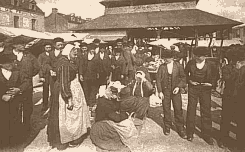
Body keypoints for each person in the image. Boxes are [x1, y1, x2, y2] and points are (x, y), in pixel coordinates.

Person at [47, 43, 90, 150]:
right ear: (68, 52)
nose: (76, 55)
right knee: (66, 115)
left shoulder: (66, 61)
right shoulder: (64, 64)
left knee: (70, 115)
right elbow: (64, 82)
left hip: (70, 88)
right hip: (65, 92)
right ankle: (66, 139)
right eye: (74, 53)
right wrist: (68, 98)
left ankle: (72, 137)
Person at [185, 47, 218, 145]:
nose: (197, 58)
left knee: (206, 111)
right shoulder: (190, 63)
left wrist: (211, 84)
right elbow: (185, 74)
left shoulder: (211, 65)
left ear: (205, 56)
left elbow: (216, 76)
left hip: (205, 89)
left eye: (200, 56)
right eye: (196, 56)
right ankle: (190, 133)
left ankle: (207, 135)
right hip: (193, 89)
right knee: (191, 110)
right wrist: (190, 81)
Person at [10, 37, 40, 135]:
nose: (23, 45)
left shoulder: (29, 56)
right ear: (14, 45)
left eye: (24, 43)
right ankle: (15, 129)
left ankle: (27, 127)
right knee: (14, 108)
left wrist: (28, 76)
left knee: (28, 107)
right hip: (12, 86)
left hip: (27, 85)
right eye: (21, 44)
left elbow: (37, 67)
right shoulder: (7, 55)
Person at [90, 83, 132, 152]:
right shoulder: (105, 104)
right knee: (118, 133)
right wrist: (126, 114)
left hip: (99, 125)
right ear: (109, 92)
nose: (115, 95)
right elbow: (117, 118)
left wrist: (116, 100)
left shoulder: (103, 99)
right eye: (113, 93)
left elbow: (115, 106)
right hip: (101, 128)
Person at [0, 53, 29, 149]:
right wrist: (2, 96)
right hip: (1, 104)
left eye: (13, 62)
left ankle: (15, 142)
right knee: (2, 122)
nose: (12, 64)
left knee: (14, 121)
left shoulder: (18, 72)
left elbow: (26, 82)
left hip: (15, 102)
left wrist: (19, 89)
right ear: (1, 64)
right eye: (8, 63)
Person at [156, 50, 187, 138]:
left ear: (172, 58)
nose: (165, 60)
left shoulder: (178, 66)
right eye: (164, 58)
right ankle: (167, 126)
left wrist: (178, 87)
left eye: (167, 58)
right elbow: (158, 79)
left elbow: (183, 78)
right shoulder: (162, 67)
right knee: (166, 108)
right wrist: (160, 91)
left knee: (178, 109)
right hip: (165, 91)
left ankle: (180, 128)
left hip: (175, 90)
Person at [218, 52, 239, 148]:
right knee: (226, 119)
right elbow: (227, 79)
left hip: (239, 97)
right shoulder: (226, 68)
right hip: (229, 97)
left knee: (240, 120)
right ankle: (223, 139)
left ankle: (239, 141)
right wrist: (237, 71)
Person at [38, 42, 52, 112]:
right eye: (47, 47)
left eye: (49, 47)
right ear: (44, 48)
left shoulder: (53, 54)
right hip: (45, 75)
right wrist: (41, 76)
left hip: (52, 75)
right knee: (45, 91)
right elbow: (39, 66)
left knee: (53, 90)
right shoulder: (41, 56)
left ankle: (53, 104)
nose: (48, 49)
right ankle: (45, 105)